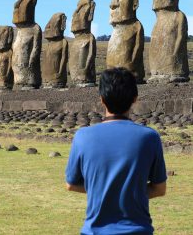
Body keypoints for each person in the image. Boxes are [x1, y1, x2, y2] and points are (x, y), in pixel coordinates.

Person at [66, 67, 167, 235]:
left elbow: (71, 184)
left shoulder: (82, 136)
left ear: (101, 99)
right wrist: (129, 193)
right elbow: (159, 189)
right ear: (135, 99)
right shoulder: (149, 137)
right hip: (138, 230)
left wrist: (102, 190)